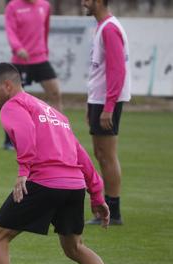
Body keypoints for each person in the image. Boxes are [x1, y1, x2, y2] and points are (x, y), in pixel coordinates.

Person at [0, 62, 134, 264]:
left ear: (8, 85)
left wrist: (23, 170)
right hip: (73, 186)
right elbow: (80, 153)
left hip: (44, 182)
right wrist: (96, 194)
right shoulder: (52, 112)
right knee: (74, 247)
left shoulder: (13, 105)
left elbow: (26, 134)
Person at [83, 0, 130, 226]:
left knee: (107, 155)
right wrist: (90, 104)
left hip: (106, 101)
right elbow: (99, 70)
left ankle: (114, 210)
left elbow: (117, 70)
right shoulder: (102, 26)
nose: (83, 2)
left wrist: (108, 106)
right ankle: (109, 207)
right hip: (98, 100)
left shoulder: (110, 28)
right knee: (100, 154)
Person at [3, 0, 62, 150]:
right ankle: (10, 140)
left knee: (55, 93)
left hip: (40, 58)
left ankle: (58, 134)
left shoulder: (45, 6)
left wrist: (45, 51)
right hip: (20, 59)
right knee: (15, 100)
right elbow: (10, 31)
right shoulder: (13, 7)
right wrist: (18, 48)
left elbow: (45, 30)